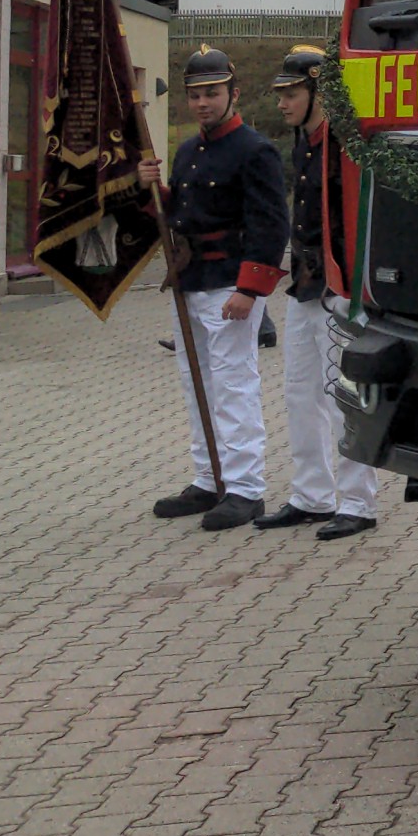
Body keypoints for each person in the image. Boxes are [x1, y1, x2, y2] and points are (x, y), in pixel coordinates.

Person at [140, 49, 287, 530]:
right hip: (192, 280)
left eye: (212, 94)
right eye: (195, 95)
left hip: (230, 284)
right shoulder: (187, 150)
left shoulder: (255, 150)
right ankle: (209, 478)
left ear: (233, 93)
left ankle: (245, 488)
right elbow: (181, 214)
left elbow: (270, 225)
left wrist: (250, 289)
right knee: (196, 383)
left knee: (233, 386)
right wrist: (153, 191)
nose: (202, 103)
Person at [254, 46, 378, 541]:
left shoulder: (342, 142)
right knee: (301, 394)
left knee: (344, 395)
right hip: (306, 283)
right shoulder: (303, 140)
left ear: (317, 93)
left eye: (292, 93)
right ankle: (312, 494)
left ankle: (358, 501)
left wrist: (351, 286)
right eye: (282, 93)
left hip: (339, 284)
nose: (283, 103)